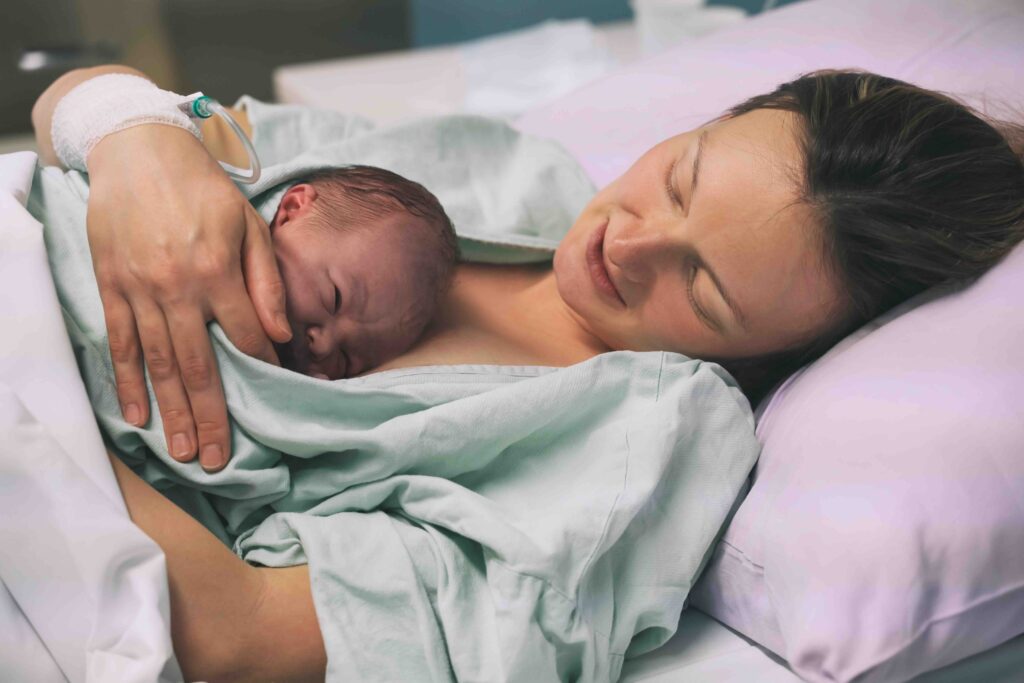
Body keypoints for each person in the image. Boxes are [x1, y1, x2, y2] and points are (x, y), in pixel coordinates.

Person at [32, 65, 1024, 682]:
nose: (629, 241)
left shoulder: (642, 444)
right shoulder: (503, 168)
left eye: (704, 286)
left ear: (769, 350)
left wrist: (35, 409)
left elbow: (240, 637)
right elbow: (67, 106)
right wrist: (135, 140)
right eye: (680, 178)